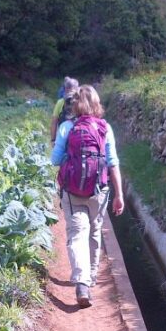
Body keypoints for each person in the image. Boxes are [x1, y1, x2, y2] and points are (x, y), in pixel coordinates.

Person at [51, 85, 125, 308]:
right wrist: (119, 194)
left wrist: (69, 157)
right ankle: (91, 276)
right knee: (94, 230)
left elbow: (55, 160)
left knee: (76, 234)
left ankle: (81, 283)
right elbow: (112, 162)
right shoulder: (105, 128)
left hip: (72, 190)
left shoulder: (66, 127)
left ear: (74, 104)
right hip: (98, 190)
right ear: (96, 103)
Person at [50, 77, 79, 143]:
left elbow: (54, 122)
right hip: (78, 139)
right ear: (77, 89)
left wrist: (53, 140)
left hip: (62, 137)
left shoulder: (60, 102)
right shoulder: (81, 102)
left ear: (65, 89)